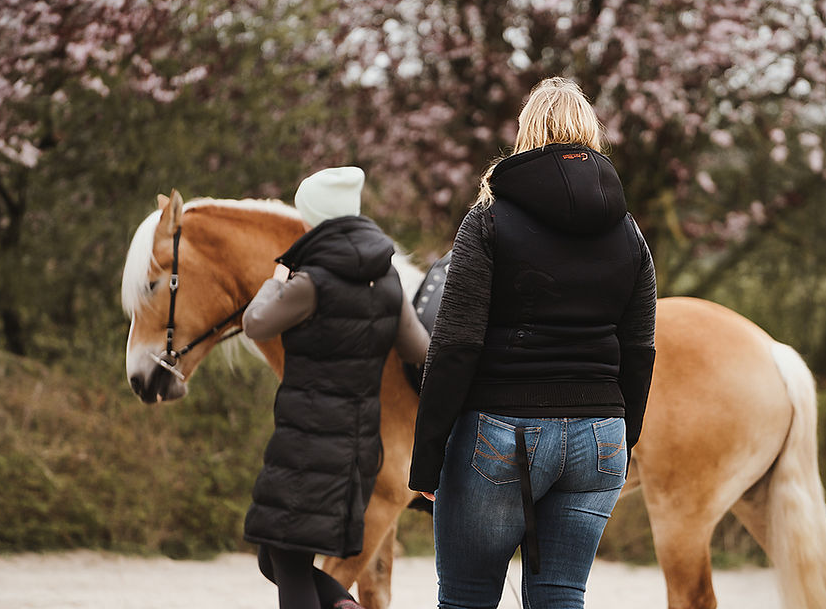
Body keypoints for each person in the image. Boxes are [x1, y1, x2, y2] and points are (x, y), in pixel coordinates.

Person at [408, 77, 657, 608]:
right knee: (561, 596)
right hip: (601, 436)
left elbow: (455, 345)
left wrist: (427, 457)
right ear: (590, 133)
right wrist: (623, 437)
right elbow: (639, 350)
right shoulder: (629, 232)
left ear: (526, 133)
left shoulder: (488, 220)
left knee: (467, 599)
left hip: (500, 432)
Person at [242, 166, 430, 609]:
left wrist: (274, 282)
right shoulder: (386, 279)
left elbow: (255, 323)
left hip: (308, 446)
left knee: (287, 563)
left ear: (315, 218)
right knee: (275, 559)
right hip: (359, 449)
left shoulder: (311, 282)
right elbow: (419, 348)